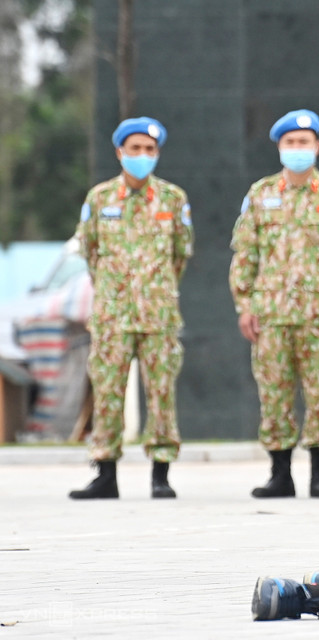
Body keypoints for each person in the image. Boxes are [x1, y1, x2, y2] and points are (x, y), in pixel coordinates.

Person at [229, 109, 319, 498]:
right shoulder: (260, 194)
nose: (297, 149)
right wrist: (244, 306)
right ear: (279, 148)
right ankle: (279, 474)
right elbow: (245, 255)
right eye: (290, 143)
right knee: (273, 392)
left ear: (317, 147)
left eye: (304, 142)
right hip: (270, 315)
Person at [69, 117, 193, 500]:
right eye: (135, 149)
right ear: (119, 152)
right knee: (108, 392)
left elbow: (180, 255)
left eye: (149, 150)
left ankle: (161, 474)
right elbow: (90, 253)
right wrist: (115, 289)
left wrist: (154, 289)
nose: (142, 156)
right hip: (112, 315)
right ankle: (105, 473)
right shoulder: (99, 199)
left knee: (161, 393)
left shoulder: (173, 199)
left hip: (158, 314)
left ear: (157, 154)